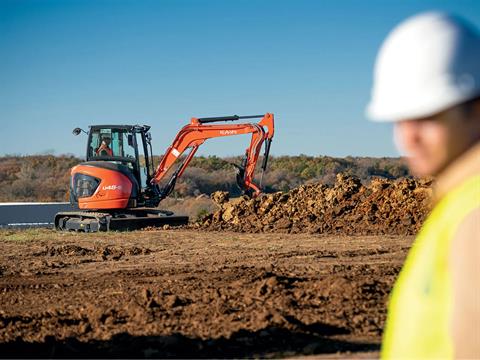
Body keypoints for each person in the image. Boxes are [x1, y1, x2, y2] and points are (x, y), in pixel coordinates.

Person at [366, 12, 480, 359]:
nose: (408, 138)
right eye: (400, 119)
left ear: (475, 110)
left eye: (428, 116)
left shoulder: (474, 217)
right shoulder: (455, 205)